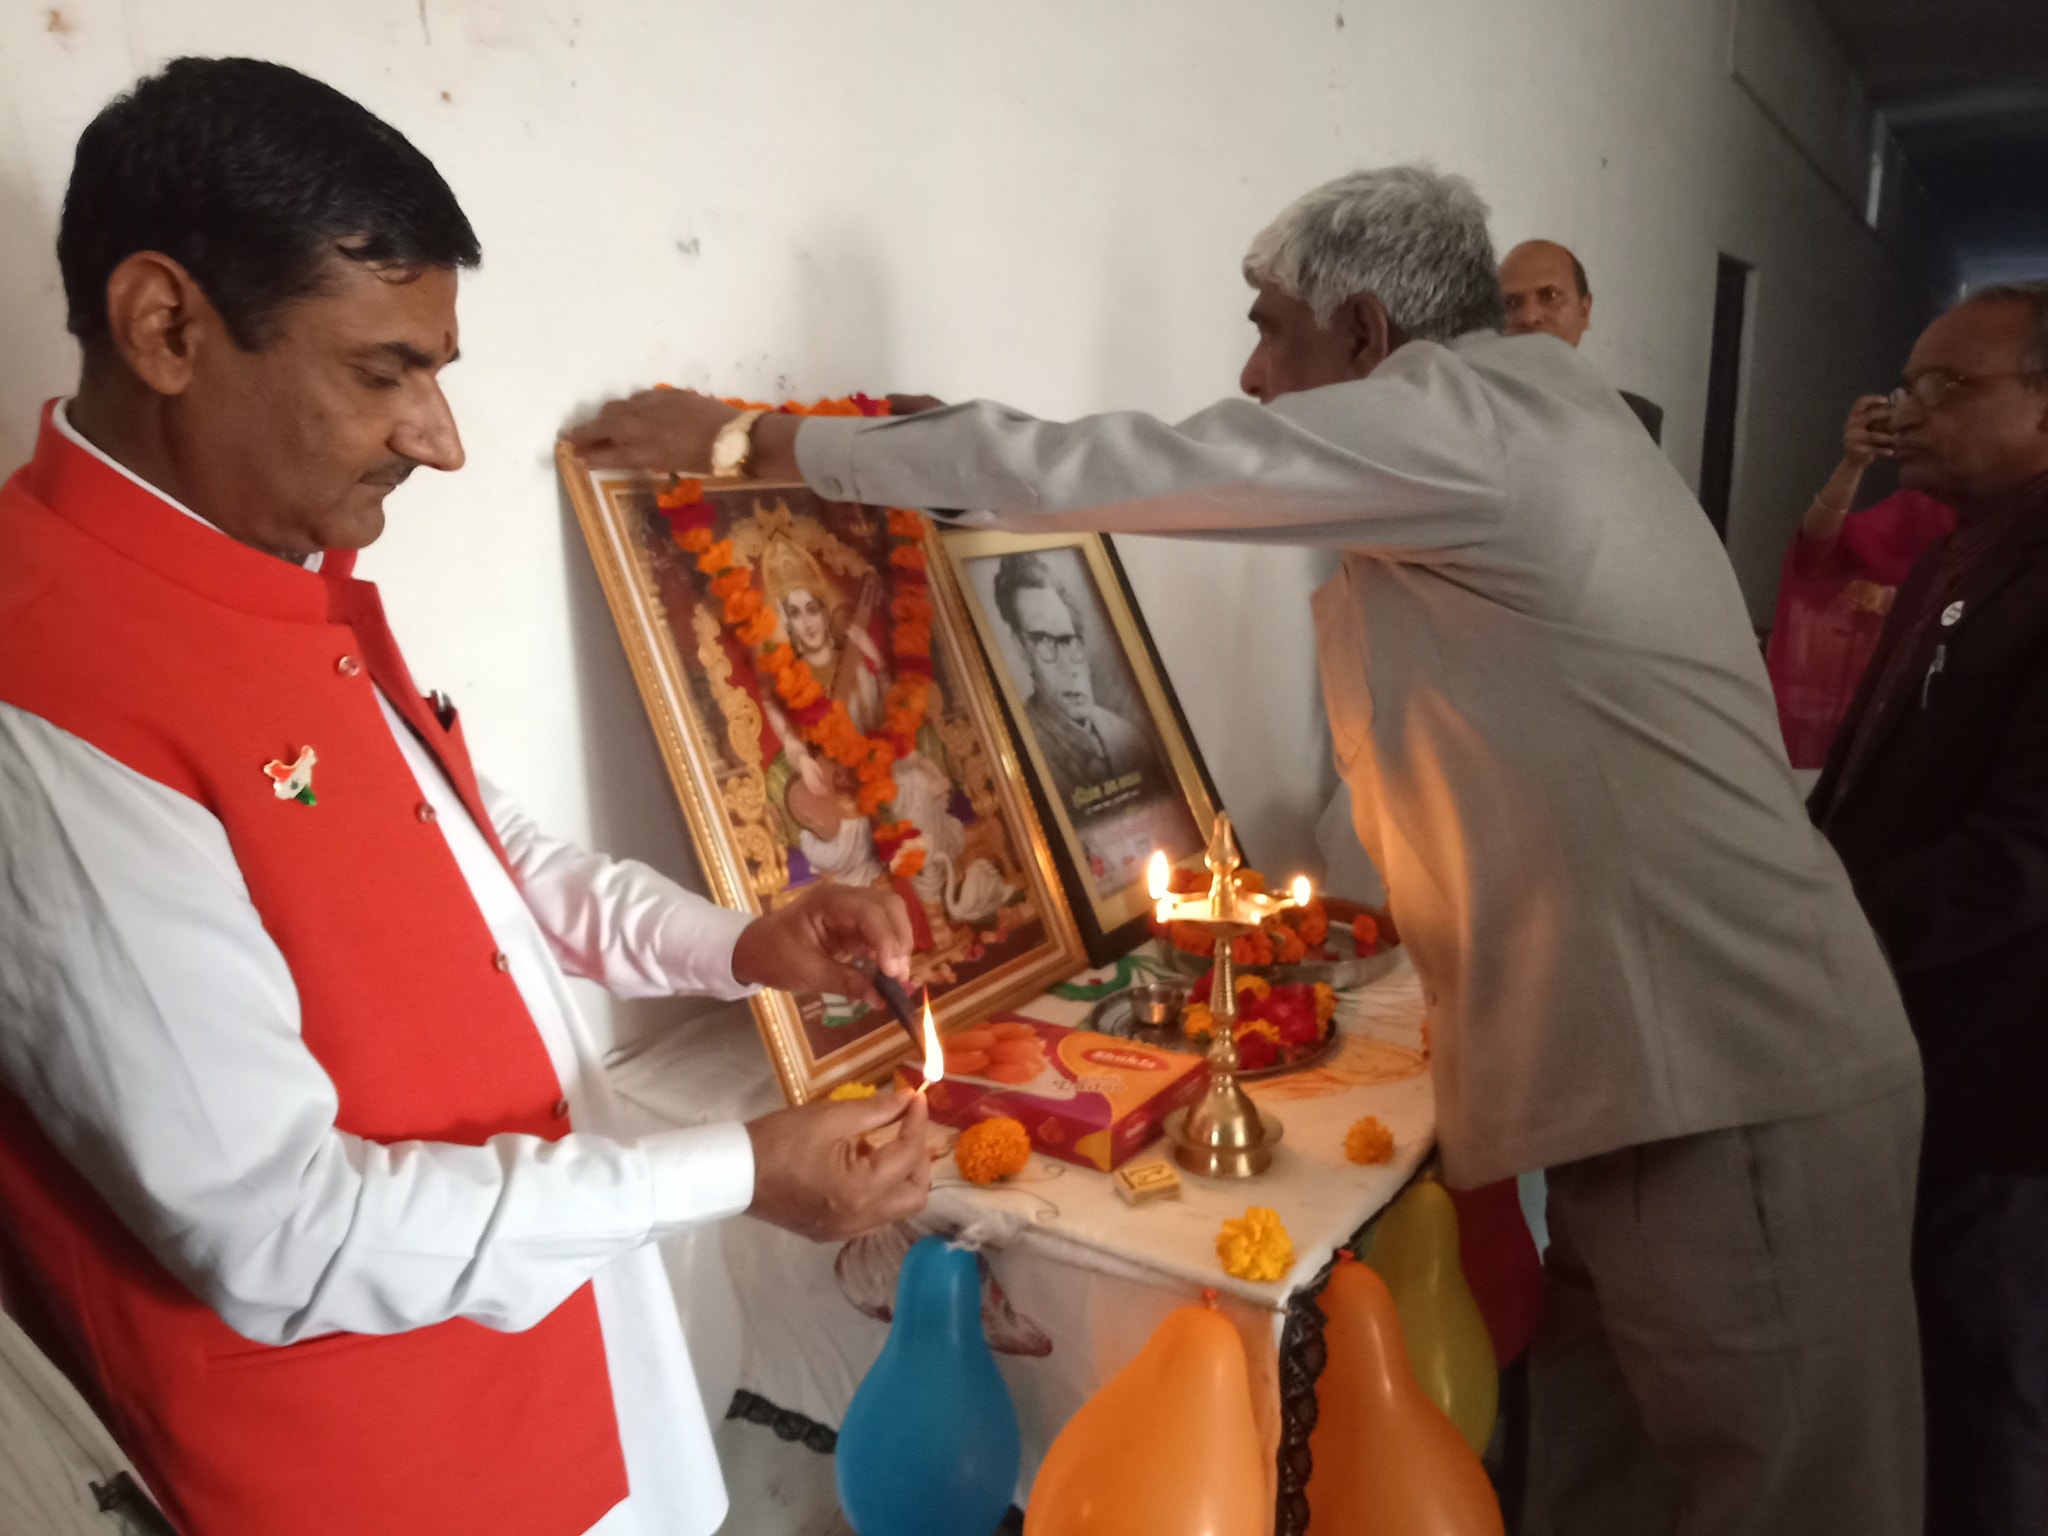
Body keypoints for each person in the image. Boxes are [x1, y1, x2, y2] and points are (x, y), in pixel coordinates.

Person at [573, 164, 1927, 1535]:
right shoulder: (1520, 421)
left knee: (1790, 1499)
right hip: (1660, 1073)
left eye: (1271, 327)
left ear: (1366, 332)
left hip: (1726, 1077)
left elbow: (1131, 466)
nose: (1253, 372)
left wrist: (751, 442)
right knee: (1624, 1477)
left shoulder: (1470, 419)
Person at [0, 59, 932, 1536]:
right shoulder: (44, 687)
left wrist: (740, 944)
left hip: (561, 1373)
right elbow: (278, 1229)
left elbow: (477, 850)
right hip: (383, 1463)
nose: (440, 438)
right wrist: (731, 1170)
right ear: (166, 326)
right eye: (384, 373)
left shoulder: (264, 572)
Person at [1809, 281, 2048, 1536]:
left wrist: (1820, 923)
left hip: (2003, 1075)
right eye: (1907, 383)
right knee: (1911, 1363)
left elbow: (2023, 852)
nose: (1907, 411)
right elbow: (1869, 772)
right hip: (1906, 1041)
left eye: (1945, 387)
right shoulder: (1953, 548)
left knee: (1984, 1382)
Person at [1766, 395, 1955, 770]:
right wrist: (1853, 463)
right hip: (1852, 731)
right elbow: (1815, 554)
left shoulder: (2001, 526)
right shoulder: (1906, 515)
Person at [992, 550, 1156, 798]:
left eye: (1069, 640)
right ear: (1020, 648)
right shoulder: (1022, 752)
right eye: (1044, 640)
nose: (1068, 666)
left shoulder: (1129, 738)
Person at [1500, 237, 1664, 441]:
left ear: (1584, 311)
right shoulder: (1475, 415)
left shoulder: (1634, 420)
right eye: (1511, 302)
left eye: (1550, 296)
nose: (1529, 317)